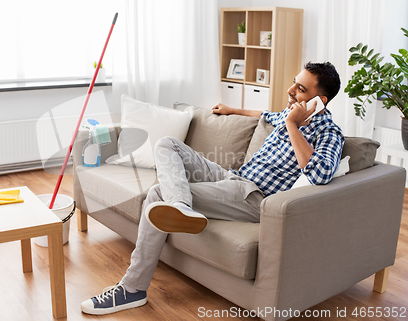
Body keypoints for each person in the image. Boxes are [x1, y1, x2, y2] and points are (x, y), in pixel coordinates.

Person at [80, 62, 345, 315]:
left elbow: (319, 172)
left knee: (157, 194)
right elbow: (264, 115)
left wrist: (292, 125)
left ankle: (132, 288)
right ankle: (181, 206)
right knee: (167, 144)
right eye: (294, 83)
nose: (290, 90)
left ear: (318, 101)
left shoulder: (329, 133)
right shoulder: (288, 114)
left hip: (253, 197)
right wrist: (233, 110)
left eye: (300, 88)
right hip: (233, 178)